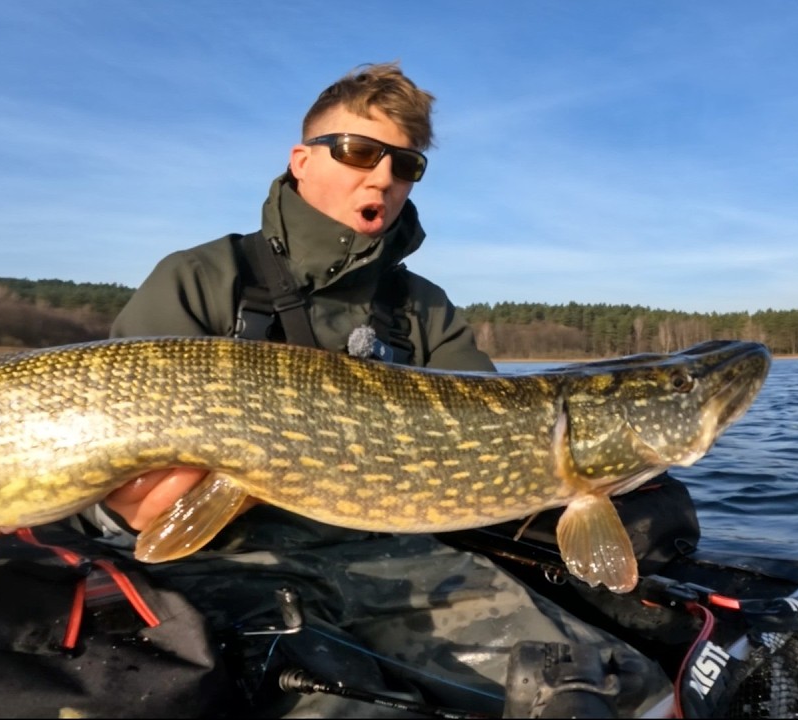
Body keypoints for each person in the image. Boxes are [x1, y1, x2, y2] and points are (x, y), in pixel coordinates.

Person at [73, 62, 674, 718]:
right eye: (360, 151)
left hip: (399, 561)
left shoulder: (420, 308)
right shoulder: (203, 278)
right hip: (228, 565)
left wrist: (600, 479)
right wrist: (115, 506)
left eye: (407, 165)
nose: (384, 177)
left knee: (624, 695)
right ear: (301, 160)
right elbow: (101, 439)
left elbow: (500, 441)